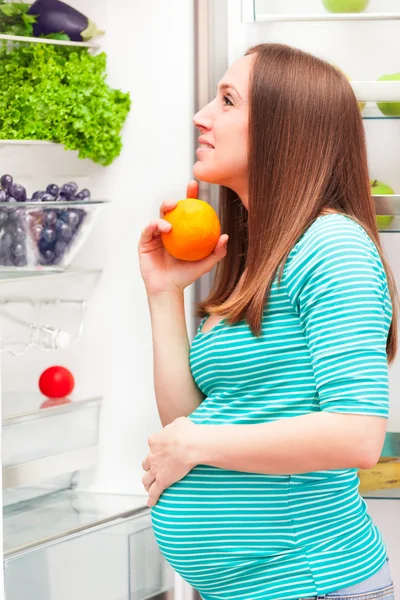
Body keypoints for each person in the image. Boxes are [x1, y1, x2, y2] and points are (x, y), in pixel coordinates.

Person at [138, 43, 397, 600]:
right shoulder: (263, 255)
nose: (201, 115)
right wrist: (163, 293)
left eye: (227, 100)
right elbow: (192, 418)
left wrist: (197, 445)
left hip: (312, 583)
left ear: (286, 130)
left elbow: (357, 435)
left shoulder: (333, 246)